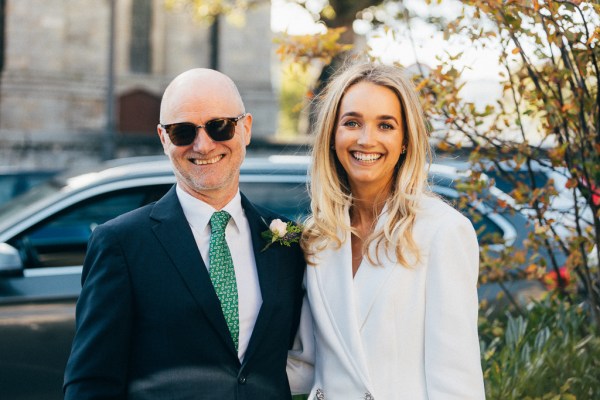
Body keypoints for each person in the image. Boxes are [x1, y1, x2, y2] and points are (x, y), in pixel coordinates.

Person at [64, 68, 306, 400]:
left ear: (245, 128)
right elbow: (91, 382)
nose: (203, 145)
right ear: (164, 139)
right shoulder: (120, 244)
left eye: (220, 126)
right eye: (182, 131)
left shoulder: (287, 240)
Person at [287, 62, 486, 399]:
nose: (367, 139)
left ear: (405, 139)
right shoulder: (318, 236)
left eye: (385, 125)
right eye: (352, 123)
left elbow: (456, 382)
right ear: (332, 135)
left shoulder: (442, 231)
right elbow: (308, 366)